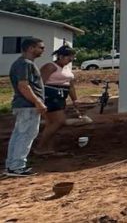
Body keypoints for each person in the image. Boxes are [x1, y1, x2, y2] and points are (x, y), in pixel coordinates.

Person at [4, 37, 47, 177]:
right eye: (40, 47)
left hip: (24, 105)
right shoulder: (25, 64)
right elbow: (24, 86)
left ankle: (12, 165)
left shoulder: (20, 63)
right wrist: (38, 102)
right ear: (30, 48)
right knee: (26, 135)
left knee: (19, 134)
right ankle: (17, 166)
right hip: (27, 105)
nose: (43, 50)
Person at [34, 45, 82, 155]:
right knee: (59, 121)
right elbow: (39, 83)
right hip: (50, 97)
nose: (71, 60)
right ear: (60, 56)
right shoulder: (50, 66)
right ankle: (40, 147)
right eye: (69, 57)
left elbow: (70, 85)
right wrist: (39, 99)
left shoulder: (67, 68)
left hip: (61, 96)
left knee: (51, 123)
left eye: (72, 58)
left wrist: (75, 100)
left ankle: (49, 148)